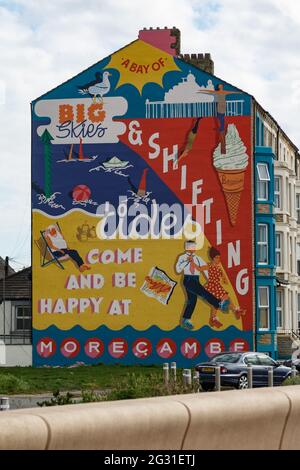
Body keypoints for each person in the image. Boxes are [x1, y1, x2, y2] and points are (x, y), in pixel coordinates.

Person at [175, 240, 230, 330]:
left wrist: (211, 281)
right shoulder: (182, 257)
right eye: (191, 247)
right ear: (187, 247)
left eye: (194, 247)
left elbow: (205, 269)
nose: (193, 249)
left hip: (196, 278)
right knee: (202, 292)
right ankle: (218, 303)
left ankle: (185, 319)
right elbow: (178, 270)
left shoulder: (198, 258)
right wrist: (187, 262)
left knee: (192, 300)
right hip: (188, 279)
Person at [198, 247, 246, 328]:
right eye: (217, 257)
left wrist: (224, 279)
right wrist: (193, 264)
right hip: (211, 287)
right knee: (224, 299)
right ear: (213, 258)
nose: (218, 259)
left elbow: (224, 279)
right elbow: (200, 268)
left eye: (219, 257)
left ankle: (213, 319)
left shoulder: (219, 267)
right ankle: (235, 311)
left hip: (217, 286)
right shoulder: (209, 265)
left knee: (217, 304)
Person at [198, 83, 243, 153]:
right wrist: (202, 90)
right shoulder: (219, 92)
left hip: (221, 105)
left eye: (219, 85)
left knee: (221, 117)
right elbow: (210, 92)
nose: (218, 86)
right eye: (218, 85)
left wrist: (239, 92)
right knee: (220, 116)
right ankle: (221, 127)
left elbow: (232, 92)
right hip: (221, 105)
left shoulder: (223, 92)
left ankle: (221, 128)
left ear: (221, 86)